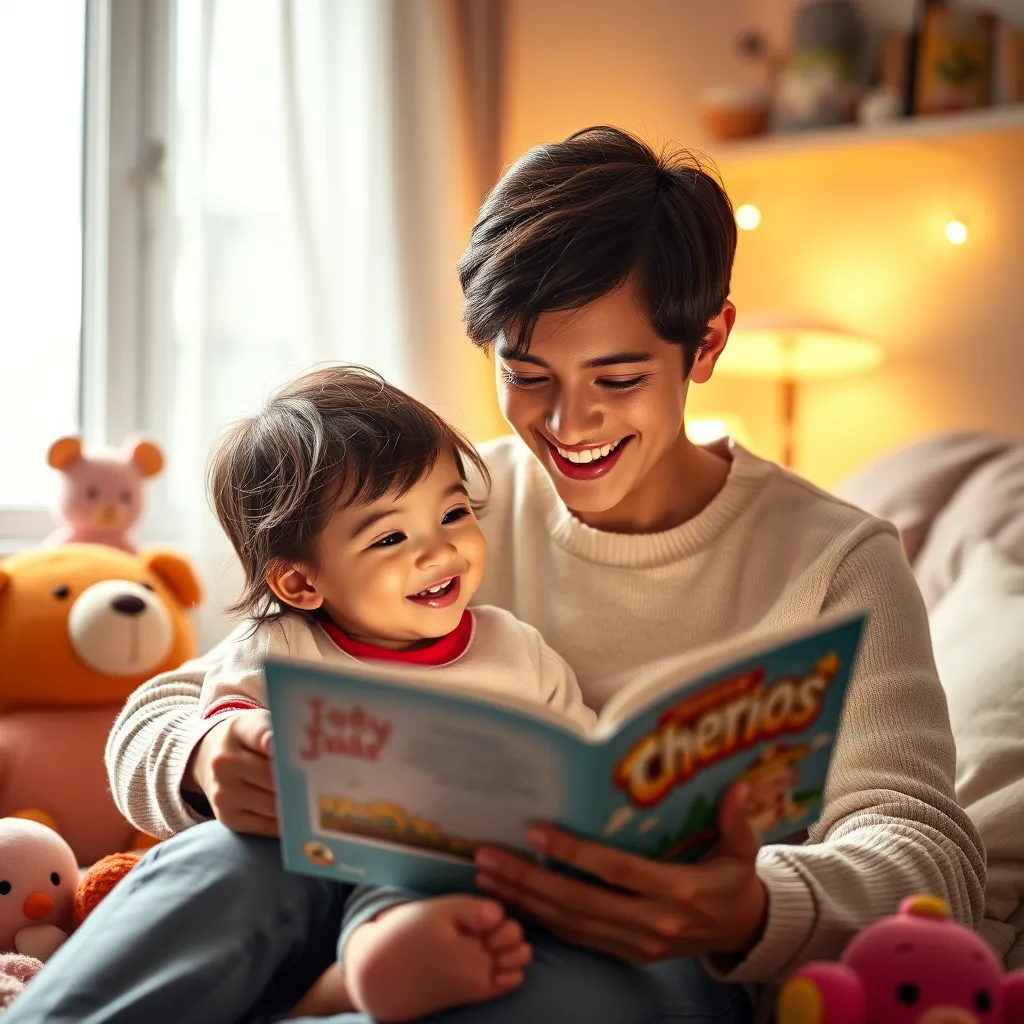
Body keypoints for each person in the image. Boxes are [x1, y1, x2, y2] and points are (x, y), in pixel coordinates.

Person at [6, 126, 985, 1024]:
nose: (568, 426)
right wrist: (201, 760)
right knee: (227, 859)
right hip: (360, 879)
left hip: (646, 953)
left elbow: (929, 854)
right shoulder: (440, 505)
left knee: (492, 974)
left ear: (708, 343)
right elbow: (172, 700)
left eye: (616, 380)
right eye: (526, 375)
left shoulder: (835, 560)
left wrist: (751, 907)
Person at [192, 363, 601, 1020]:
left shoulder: (514, 649)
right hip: (324, 875)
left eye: (453, 512)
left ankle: (340, 989)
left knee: (485, 897)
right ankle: (357, 973)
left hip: (479, 877)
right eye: (390, 537)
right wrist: (240, 740)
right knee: (371, 883)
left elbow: (584, 760)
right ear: (300, 584)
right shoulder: (286, 646)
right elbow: (224, 716)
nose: (440, 550)